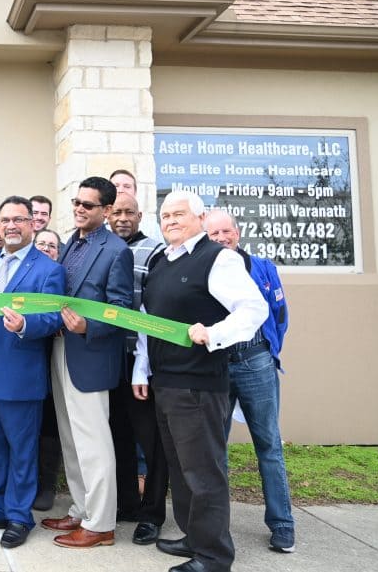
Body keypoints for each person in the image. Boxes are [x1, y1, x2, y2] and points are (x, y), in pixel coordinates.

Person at [137, 190, 267, 572]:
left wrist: (214, 333)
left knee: (203, 471)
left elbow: (254, 307)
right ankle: (195, 538)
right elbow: (150, 323)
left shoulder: (219, 258)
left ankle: (213, 557)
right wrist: (141, 370)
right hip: (167, 382)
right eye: (165, 216)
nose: (171, 221)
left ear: (199, 218)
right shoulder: (162, 261)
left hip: (198, 385)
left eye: (179, 214)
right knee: (180, 469)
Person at [0, 197, 67, 549]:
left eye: (19, 220)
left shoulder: (48, 269)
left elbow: (53, 318)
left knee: (21, 449)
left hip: (20, 374)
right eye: (5, 220)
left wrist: (25, 325)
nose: (11, 226)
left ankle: (19, 516)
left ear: (32, 224)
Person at [42, 176, 133, 550]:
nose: (79, 209)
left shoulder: (116, 251)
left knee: (94, 443)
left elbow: (122, 308)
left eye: (88, 205)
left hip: (90, 354)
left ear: (107, 211)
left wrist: (88, 326)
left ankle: (101, 524)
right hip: (61, 350)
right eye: (77, 203)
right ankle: (81, 509)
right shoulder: (69, 245)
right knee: (71, 439)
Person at [204, 210, 295, 554]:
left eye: (226, 231)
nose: (221, 237)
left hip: (256, 361)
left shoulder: (263, 267)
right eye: (214, 233)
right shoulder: (205, 269)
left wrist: (268, 350)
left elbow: (280, 315)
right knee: (215, 449)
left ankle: (282, 524)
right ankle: (216, 526)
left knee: (269, 444)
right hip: (218, 364)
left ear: (237, 233)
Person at [107, 192, 169, 545]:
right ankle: (127, 504)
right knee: (118, 436)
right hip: (108, 358)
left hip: (140, 360)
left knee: (151, 440)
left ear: (140, 215)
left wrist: (143, 366)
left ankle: (152, 513)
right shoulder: (104, 248)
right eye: (117, 212)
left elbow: (153, 308)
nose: (123, 218)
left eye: (129, 212)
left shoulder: (155, 252)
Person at [31, 225, 65, 511]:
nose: (45, 248)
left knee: (50, 426)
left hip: (57, 359)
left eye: (51, 245)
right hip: (30, 359)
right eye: (40, 243)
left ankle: (47, 485)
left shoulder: (62, 277)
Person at [109, 169, 163, 243]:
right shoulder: (97, 225)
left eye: (127, 186)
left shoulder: (151, 227)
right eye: (116, 186)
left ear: (135, 192)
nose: (120, 190)